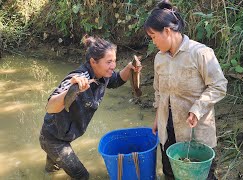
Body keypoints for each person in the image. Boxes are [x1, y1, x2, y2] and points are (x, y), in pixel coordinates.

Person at [143, 0, 228, 179]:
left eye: (153, 37)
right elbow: (159, 91)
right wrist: (158, 117)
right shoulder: (159, 58)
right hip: (168, 129)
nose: (153, 42)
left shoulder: (200, 53)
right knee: (170, 173)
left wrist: (197, 109)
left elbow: (219, 85)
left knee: (202, 176)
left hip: (196, 131)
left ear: (167, 31)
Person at [39, 35, 141, 179]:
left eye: (114, 61)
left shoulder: (103, 74)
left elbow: (116, 80)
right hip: (53, 138)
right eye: (109, 62)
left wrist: (129, 68)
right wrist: (71, 90)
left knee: (51, 171)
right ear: (93, 62)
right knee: (82, 176)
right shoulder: (78, 78)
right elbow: (50, 107)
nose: (113, 66)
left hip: (63, 134)